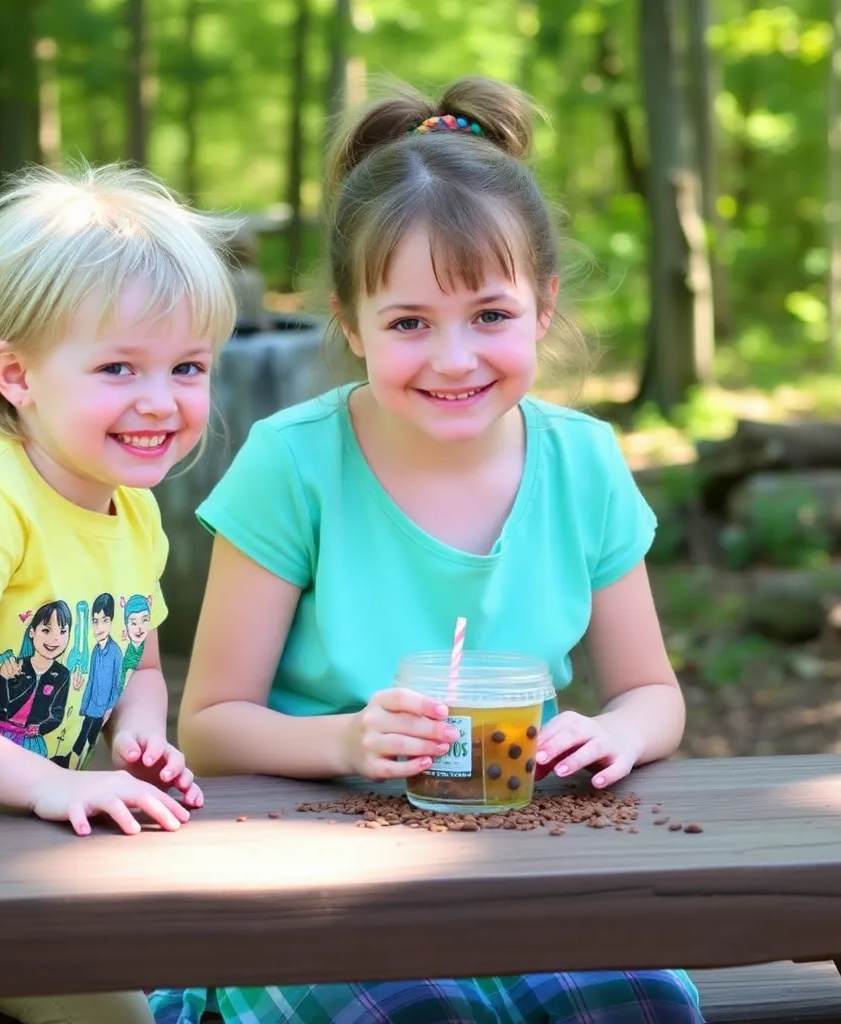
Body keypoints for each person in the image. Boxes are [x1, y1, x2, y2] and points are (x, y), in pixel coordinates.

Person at [150, 77, 703, 1024]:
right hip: (309, 856)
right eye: (409, 322)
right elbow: (209, 723)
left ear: (543, 305)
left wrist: (617, 734)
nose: (454, 358)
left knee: (637, 1003)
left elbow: (653, 693)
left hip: (519, 848)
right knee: (417, 1009)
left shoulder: (584, 462)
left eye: (490, 314)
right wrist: (346, 740)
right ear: (350, 322)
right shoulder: (296, 462)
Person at [0, 162, 237, 1023]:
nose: (161, 401)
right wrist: (49, 784)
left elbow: (137, 665)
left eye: (187, 367)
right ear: (16, 375)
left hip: (12, 851)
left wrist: (138, 735)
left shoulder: (134, 511)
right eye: (117, 368)